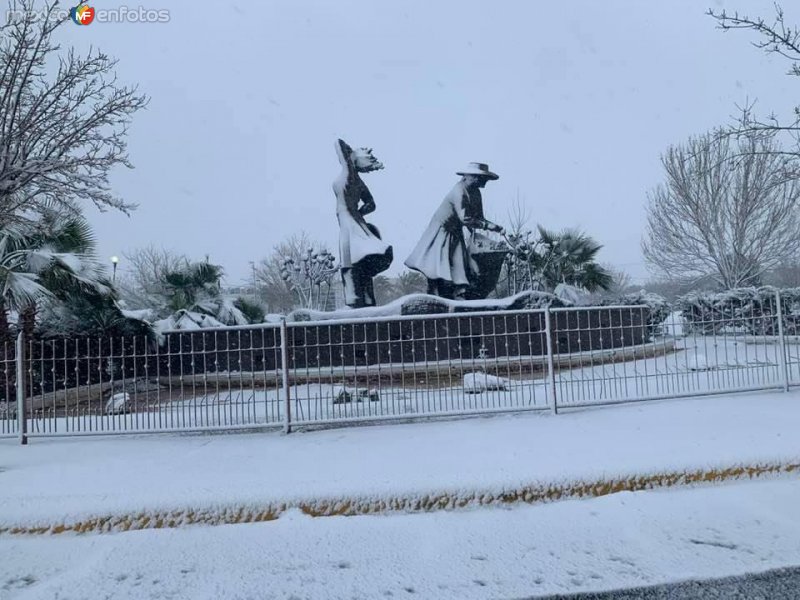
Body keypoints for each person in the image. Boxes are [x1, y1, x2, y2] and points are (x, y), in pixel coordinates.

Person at [405, 162, 504, 300]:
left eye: (485, 179)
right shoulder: (459, 190)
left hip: (455, 233)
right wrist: (487, 226)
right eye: (481, 178)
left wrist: (492, 225)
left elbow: (478, 217)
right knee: (440, 267)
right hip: (442, 232)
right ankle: (438, 296)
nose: (484, 181)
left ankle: (456, 296)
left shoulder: (475, 192)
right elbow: (465, 218)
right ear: (469, 177)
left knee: (459, 267)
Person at [333, 139, 393, 308]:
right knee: (360, 260)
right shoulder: (357, 180)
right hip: (355, 220)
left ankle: (355, 300)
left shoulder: (349, 173)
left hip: (347, 221)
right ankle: (366, 299)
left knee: (349, 261)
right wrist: (359, 213)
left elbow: (338, 143)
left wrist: (353, 153)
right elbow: (371, 204)